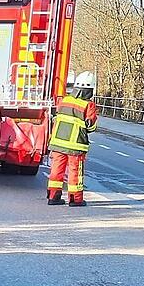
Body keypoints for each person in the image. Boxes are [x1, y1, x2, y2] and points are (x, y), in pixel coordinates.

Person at [47, 71, 98, 207]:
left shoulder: (65, 100)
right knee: (75, 172)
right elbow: (91, 127)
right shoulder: (88, 105)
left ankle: (53, 197)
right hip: (75, 146)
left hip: (58, 143)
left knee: (56, 169)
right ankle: (76, 199)